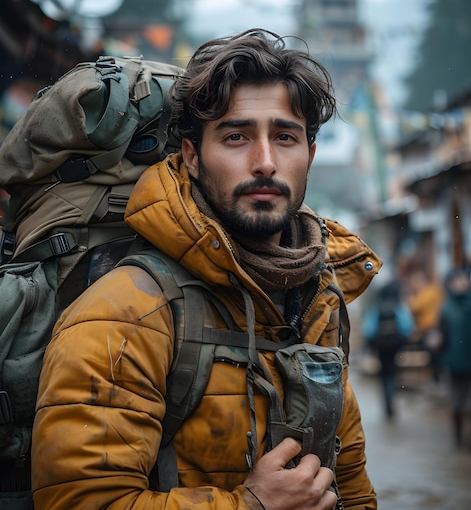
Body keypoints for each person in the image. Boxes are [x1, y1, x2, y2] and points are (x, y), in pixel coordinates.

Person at [31, 29, 382, 509]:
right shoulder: (126, 312)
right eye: (236, 136)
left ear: (311, 155)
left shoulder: (316, 300)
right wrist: (251, 505)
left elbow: (354, 489)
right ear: (192, 157)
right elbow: (80, 502)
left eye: (285, 137)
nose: (264, 162)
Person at [362, 281, 415, 419]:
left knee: (384, 374)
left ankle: (387, 402)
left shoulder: (377, 308)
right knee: (393, 372)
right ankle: (392, 398)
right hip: (396, 345)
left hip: (381, 346)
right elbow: (407, 326)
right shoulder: (398, 307)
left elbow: (368, 329)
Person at [438, 267, 471, 449]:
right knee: (457, 403)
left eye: (462, 280)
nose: (460, 283)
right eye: (456, 281)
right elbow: (442, 336)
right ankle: (458, 437)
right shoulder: (446, 308)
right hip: (453, 362)